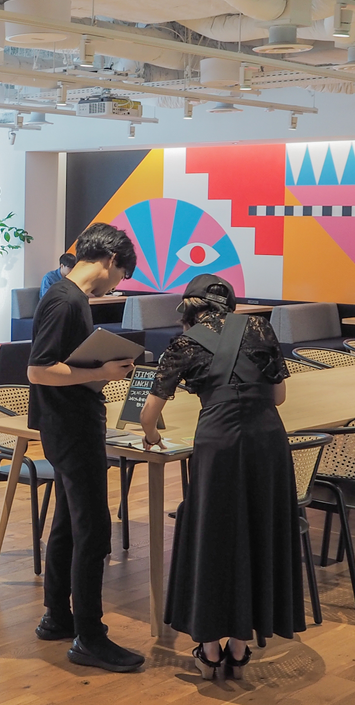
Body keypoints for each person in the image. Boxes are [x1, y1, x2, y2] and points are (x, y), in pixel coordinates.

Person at [138, 274, 303, 682]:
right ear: (230, 305)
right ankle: (241, 649)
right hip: (267, 439)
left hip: (219, 444)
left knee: (212, 536)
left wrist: (152, 437)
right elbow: (279, 396)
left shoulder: (183, 343)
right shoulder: (260, 327)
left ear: (189, 309)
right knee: (258, 529)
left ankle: (209, 650)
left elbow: (147, 415)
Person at [27, 222, 143, 673]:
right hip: (71, 428)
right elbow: (39, 370)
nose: (116, 285)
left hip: (66, 426)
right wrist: (102, 373)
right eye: (121, 276)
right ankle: (90, 638)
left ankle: (58, 616)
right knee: (93, 531)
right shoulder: (66, 300)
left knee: (69, 525)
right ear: (111, 260)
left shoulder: (66, 296)